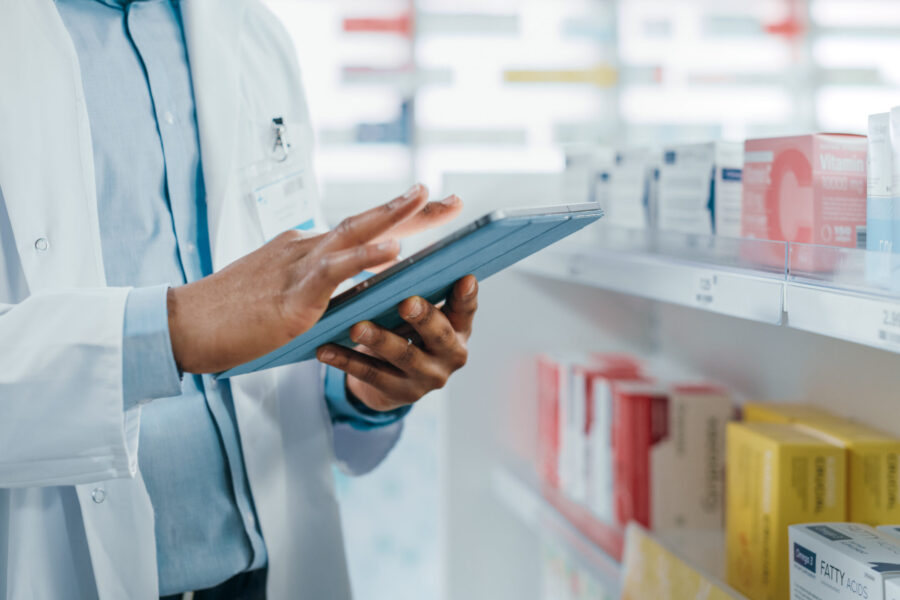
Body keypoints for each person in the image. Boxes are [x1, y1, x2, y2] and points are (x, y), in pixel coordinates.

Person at [0, 1, 478, 598]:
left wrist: (362, 383)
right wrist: (173, 329)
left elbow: (279, 317)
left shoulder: (253, 32)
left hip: (264, 573)